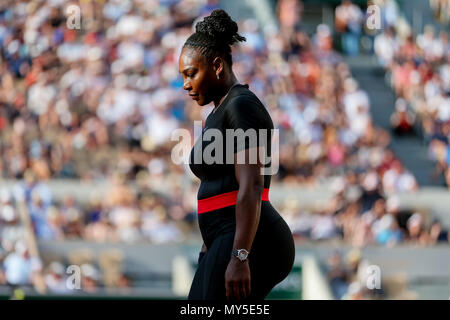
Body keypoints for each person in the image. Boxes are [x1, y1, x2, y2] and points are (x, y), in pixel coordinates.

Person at [178, 9, 295, 300]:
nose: (186, 84)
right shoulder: (218, 112)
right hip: (223, 237)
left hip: (250, 240)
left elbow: (252, 185)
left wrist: (240, 256)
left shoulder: (242, 106)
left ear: (217, 66)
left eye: (191, 73)